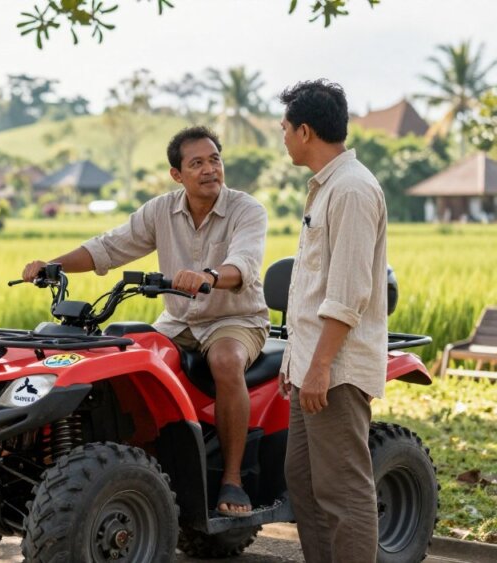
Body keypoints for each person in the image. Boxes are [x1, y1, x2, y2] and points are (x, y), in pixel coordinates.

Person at [21, 126, 270, 517]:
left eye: (215, 160)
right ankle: (148, 466)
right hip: (177, 320)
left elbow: (245, 263)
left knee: (224, 361)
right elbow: (109, 247)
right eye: (197, 163)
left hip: (234, 317)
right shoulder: (161, 211)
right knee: (131, 363)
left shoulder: (246, 209)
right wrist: (53, 264)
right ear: (177, 175)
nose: (210, 170)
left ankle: (233, 479)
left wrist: (208, 276)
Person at [276, 80, 389, 562]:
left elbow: (347, 294)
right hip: (310, 365)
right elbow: (312, 287)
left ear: (305, 131)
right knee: (303, 480)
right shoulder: (327, 188)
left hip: (334, 369)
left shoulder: (351, 190)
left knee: (343, 492)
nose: (281, 137)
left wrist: (320, 366)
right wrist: (296, 364)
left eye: (284, 128)